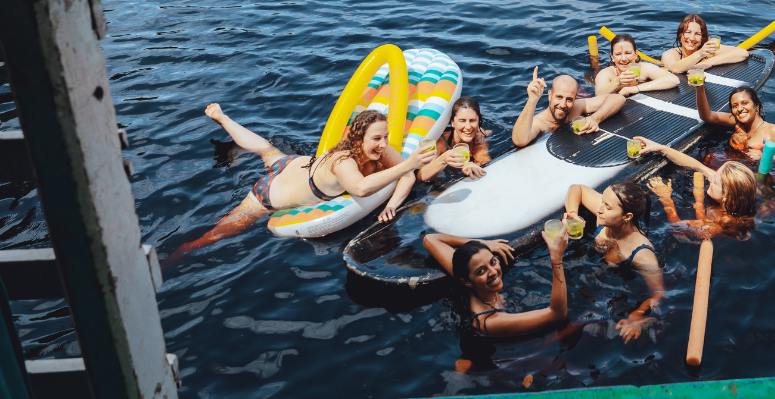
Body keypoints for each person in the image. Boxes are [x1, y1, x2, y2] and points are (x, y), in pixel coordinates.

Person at [169, 105, 435, 263]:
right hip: (268, 196)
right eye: (377, 138)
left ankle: (223, 118)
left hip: (293, 164)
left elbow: (407, 176)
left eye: (386, 137)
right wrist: (410, 162)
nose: (384, 144)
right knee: (213, 237)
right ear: (359, 138)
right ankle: (171, 258)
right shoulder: (343, 161)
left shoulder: (378, 147)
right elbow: (361, 188)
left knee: (268, 151)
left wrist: (394, 203)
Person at [563, 181, 665, 343]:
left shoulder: (641, 254)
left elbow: (659, 293)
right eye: (602, 201)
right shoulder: (604, 217)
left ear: (627, 216)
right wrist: (573, 214)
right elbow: (577, 188)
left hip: (619, 292)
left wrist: (635, 317)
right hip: (593, 280)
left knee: (570, 329)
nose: (599, 209)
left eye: (608, 207)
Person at [423, 229, 569, 338]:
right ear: (467, 281)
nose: (493, 272)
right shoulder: (490, 322)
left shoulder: (466, 275)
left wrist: (482, 245)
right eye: (481, 271)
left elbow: (430, 239)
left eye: (493, 261)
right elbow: (558, 313)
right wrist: (556, 258)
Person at [633, 137, 759, 238]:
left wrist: (666, 198)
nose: (710, 178)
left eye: (714, 181)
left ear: (727, 196)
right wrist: (661, 149)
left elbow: (676, 226)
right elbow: (699, 167)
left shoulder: (721, 224)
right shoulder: (737, 191)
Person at [512, 67, 626, 147]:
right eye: (559, 97)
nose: (563, 105)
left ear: (575, 99)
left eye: (569, 99)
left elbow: (618, 99)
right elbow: (519, 140)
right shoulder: (540, 123)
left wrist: (595, 118)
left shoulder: (576, 108)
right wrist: (532, 100)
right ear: (550, 95)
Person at [697, 84, 775, 160]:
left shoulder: (773, 130)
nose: (740, 109)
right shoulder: (738, 121)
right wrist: (699, 87)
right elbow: (707, 116)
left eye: (745, 103)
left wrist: (764, 157)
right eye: (735, 106)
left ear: (756, 106)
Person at [411, 97, 491, 183]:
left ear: (478, 120)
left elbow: (484, 159)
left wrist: (473, 165)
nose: (468, 127)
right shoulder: (441, 143)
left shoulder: (479, 135)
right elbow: (421, 176)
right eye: (462, 121)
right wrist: (443, 159)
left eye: (472, 121)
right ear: (452, 122)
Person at [595, 34, 680, 97]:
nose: (624, 58)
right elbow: (599, 94)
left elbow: (674, 80)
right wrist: (617, 82)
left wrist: (635, 88)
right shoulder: (607, 74)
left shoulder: (643, 69)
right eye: (618, 54)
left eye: (628, 53)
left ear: (636, 54)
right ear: (612, 57)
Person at [660, 14, 749, 74]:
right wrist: (699, 54)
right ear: (680, 35)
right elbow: (674, 69)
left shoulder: (706, 50)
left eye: (697, 34)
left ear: (703, 38)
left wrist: (708, 63)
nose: (692, 38)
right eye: (688, 32)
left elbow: (742, 53)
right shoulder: (670, 54)